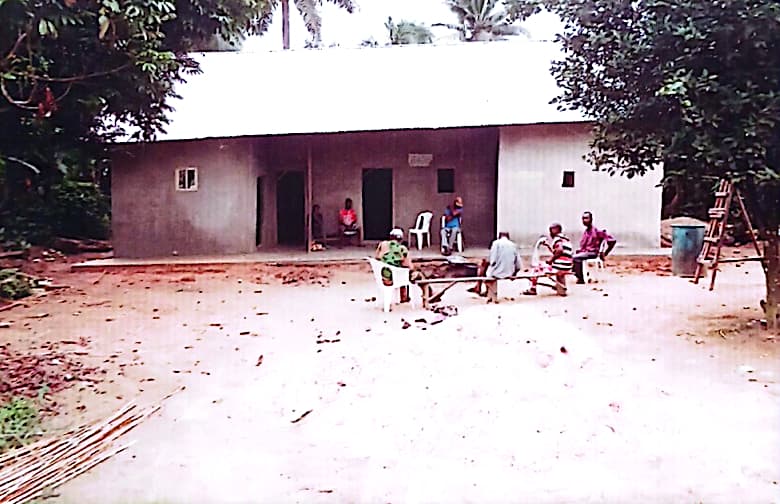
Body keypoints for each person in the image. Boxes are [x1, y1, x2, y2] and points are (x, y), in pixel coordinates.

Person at [375, 227, 429, 303]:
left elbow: (377, 257)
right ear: (401, 239)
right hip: (395, 278)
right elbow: (409, 266)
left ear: (390, 236)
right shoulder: (402, 249)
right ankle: (426, 300)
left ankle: (404, 297)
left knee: (399, 271)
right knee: (419, 276)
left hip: (384, 277)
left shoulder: (382, 244)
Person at [468, 232, 523, 300]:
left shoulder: (496, 243)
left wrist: (486, 262)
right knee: (486, 266)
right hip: (509, 272)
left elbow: (492, 261)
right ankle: (479, 288)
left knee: (483, 266)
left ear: (499, 237)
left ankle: (478, 287)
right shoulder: (513, 245)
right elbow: (519, 265)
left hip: (497, 273)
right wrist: (514, 273)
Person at [523, 223, 573, 297]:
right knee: (543, 265)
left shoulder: (557, 239)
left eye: (551, 230)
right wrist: (548, 245)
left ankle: (532, 289)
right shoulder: (565, 239)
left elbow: (559, 250)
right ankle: (559, 287)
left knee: (536, 268)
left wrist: (551, 260)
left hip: (560, 266)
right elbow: (556, 252)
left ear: (556, 230)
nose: (550, 233)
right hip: (567, 266)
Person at [574, 211, 616, 284]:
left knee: (576, 258)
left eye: (586, 218)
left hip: (592, 253)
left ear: (591, 219)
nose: (584, 220)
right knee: (570, 256)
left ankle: (580, 279)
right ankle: (580, 275)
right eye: (583, 219)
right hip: (585, 252)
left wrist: (605, 253)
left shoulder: (598, 231)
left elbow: (612, 241)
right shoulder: (586, 232)